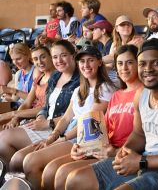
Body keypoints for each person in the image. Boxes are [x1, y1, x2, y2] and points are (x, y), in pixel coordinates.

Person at [65, 38, 158, 190]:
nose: (148, 69)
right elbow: (139, 134)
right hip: (145, 162)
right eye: (142, 64)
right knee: (76, 179)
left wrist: (142, 161)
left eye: (156, 63)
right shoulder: (142, 94)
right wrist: (124, 151)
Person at [41, 45, 143, 190]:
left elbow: (142, 135)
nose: (124, 68)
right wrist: (82, 147)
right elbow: (100, 128)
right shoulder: (117, 95)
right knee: (55, 171)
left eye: (130, 62)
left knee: (67, 175)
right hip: (103, 149)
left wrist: (115, 151)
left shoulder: (143, 93)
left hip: (123, 153)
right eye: (120, 63)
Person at [22, 45, 114, 189]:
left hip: (85, 138)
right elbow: (66, 118)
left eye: (90, 60)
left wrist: (63, 139)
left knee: (36, 163)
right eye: (82, 62)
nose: (86, 65)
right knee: (29, 161)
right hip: (70, 134)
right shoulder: (79, 89)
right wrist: (52, 137)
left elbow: (88, 123)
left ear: (100, 62)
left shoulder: (105, 88)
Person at [0, 40, 79, 169]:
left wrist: (49, 123)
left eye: (63, 55)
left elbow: (73, 117)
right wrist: (41, 116)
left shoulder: (80, 80)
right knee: (2, 140)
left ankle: (22, 179)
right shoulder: (55, 77)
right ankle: (15, 180)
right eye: (55, 57)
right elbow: (45, 107)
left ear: (73, 55)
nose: (59, 60)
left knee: (17, 159)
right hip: (45, 124)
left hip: (60, 129)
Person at [0, 46, 55, 129]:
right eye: (13, 60)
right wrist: (15, 119)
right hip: (24, 111)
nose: (15, 62)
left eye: (18, 58)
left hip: (39, 116)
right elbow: (26, 102)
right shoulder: (22, 74)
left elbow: (46, 106)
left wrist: (14, 114)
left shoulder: (39, 72)